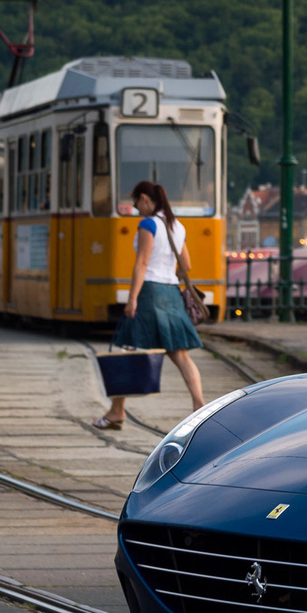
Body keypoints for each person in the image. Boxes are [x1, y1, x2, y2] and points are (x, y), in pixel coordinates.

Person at [92, 181, 205, 429]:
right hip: (171, 293)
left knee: (131, 350)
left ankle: (116, 411)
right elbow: (186, 265)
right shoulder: (178, 226)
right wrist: (168, 276)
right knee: (181, 355)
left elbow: (141, 263)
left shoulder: (148, 223)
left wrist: (132, 298)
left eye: (135, 203)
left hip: (149, 293)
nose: (135, 208)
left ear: (144, 198)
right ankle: (199, 408)